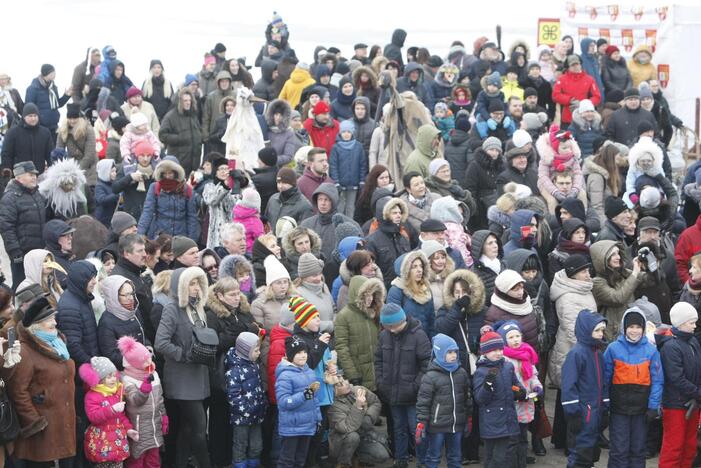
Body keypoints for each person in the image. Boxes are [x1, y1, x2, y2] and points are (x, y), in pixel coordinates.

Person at [154, 266, 212, 468]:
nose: (196, 288)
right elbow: (161, 342)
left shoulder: (197, 306)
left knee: (188, 430)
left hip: (199, 375)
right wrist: (184, 355)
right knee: (198, 427)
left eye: (198, 283)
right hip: (182, 378)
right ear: (181, 286)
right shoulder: (172, 307)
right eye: (191, 283)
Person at [8, 297, 76, 466]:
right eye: (49, 320)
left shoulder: (57, 343)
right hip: (44, 427)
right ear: (37, 325)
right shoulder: (25, 351)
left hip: (62, 419)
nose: (55, 322)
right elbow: (17, 391)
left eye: (54, 318)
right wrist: (35, 422)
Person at [603, 307, 663, 468]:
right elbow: (605, 378)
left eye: (638, 327)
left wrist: (653, 406)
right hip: (618, 409)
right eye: (631, 327)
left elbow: (658, 381)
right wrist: (605, 400)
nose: (634, 331)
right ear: (624, 328)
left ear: (644, 329)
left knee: (638, 449)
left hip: (641, 411)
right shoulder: (613, 349)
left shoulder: (651, 351)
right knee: (618, 449)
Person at [374, 303, 431, 468]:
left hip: (413, 396)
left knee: (417, 431)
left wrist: (415, 386)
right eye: (387, 326)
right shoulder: (384, 336)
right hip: (392, 394)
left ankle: (422, 462)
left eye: (394, 326)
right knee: (398, 429)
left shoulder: (419, 336)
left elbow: (427, 364)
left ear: (402, 320)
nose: (391, 330)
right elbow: (378, 360)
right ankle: (400, 460)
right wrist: (381, 382)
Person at [415, 333, 472, 468]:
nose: (453, 355)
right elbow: (423, 402)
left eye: (455, 352)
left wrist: (468, 417)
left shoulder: (461, 373)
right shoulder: (430, 376)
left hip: (456, 425)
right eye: (449, 352)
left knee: (455, 457)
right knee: (433, 457)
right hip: (437, 426)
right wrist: (421, 423)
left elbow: (467, 398)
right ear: (440, 353)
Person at [561, 310, 609, 468]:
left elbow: (603, 383)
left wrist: (605, 405)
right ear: (586, 330)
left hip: (595, 413)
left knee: (590, 454)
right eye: (597, 330)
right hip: (582, 414)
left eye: (602, 330)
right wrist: (573, 413)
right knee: (579, 455)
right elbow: (568, 386)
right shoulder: (576, 354)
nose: (601, 334)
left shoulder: (598, 353)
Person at [657, 302, 701, 467]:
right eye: (691, 322)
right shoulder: (670, 347)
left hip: (693, 402)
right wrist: (698, 393)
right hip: (676, 404)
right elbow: (676, 378)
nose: (695, 326)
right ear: (681, 323)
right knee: (673, 447)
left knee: (689, 447)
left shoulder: (693, 342)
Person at [472, 329, 523, 468]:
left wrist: (520, 392)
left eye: (500, 349)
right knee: (492, 457)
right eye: (494, 350)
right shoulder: (481, 372)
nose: (499, 353)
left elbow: (515, 385)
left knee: (501, 457)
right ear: (485, 352)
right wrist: (488, 385)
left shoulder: (508, 366)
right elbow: (480, 399)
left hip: (507, 419)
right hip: (491, 421)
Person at [496, 321, 542, 468]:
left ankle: (521, 463)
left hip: (525, 405)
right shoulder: (503, 359)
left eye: (517, 336)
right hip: (511, 406)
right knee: (511, 441)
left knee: (523, 438)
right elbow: (504, 383)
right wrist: (517, 392)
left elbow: (533, 376)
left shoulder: (526, 354)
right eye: (511, 337)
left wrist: (537, 386)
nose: (515, 339)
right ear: (503, 340)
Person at [118, 335, 167, 468]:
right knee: (137, 461)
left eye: (149, 358)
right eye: (145, 360)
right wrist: (144, 389)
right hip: (138, 429)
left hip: (154, 426)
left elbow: (160, 398)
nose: (149, 362)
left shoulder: (153, 374)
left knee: (154, 460)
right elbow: (135, 400)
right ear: (135, 363)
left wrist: (164, 417)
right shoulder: (127, 379)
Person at [79, 356, 137, 465]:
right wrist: (111, 410)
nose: (113, 379)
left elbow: (121, 416)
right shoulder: (92, 395)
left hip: (118, 442)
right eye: (109, 377)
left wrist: (128, 430)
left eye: (114, 375)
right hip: (101, 444)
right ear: (99, 379)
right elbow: (93, 416)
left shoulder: (116, 393)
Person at [275, 336, 322, 468]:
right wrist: (303, 396)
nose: (303, 355)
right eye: (298, 353)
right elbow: (284, 402)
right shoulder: (285, 375)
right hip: (291, 428)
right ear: (290, 355)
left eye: (305, 352)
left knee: (300, 460)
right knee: (287, 461)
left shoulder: (310, 372)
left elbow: (315, 400)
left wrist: (317, 419)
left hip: (307, 425)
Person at [0, 162, 47, 288]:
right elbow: (6, 227)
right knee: (22, 289)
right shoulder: (10, 198)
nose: (34, 177)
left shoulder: (37, 195)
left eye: (35, 174)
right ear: (19, 177)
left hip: (40, 252)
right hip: (22, 256)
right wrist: (15, 253)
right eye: (30, 174)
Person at [335, 276, 385, 391]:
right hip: (359, 376)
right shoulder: (343, 316)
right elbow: (342, 348)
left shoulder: (375, 311)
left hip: (378, 374)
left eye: (372, 295)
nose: (370, 298)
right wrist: (352, 375)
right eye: (366, 295)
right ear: (357, 295)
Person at [225, 332, 267, 468]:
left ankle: (253, 464)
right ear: (245, 351)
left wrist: (262, 404)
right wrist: (247, 410)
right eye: (256, 350)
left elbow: (258, 388)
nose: (259, 353)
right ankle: (239, 465)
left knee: (257, 445)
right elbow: (233, 396)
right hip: (242, 416)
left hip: (256, 414)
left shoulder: (254, 365)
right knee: (240, 445)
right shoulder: (234, 372)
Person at [327, 378, 389, 468]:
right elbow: (346, 428)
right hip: (342, 440)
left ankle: (358, 458)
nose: (346, 383)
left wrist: (369, 417)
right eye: (340, 384)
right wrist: (358, 407)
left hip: (363, 434)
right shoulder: (333, 405)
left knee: (382, 456)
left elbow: (376, 402)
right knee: (353, 437)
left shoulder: (358, 389)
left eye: (344, 380)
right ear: (334, 390)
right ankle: (342, 463)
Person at [137, 157, 199, 241]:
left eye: (170, 173)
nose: (167, 176)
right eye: (164, 173)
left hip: (180, 236)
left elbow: (191, 216)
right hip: (160, 235)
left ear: (176, 173)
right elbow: (148, 211)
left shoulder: (186, 189)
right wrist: (140, 233)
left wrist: (192, 240)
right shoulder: (155, 187)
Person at [591, 240, 643, 337]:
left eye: (618, 253)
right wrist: (635, 273)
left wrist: (652, 266)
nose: (618, 257)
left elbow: (647, 280)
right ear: (603, 258)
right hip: (612, 333)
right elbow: (618, 298)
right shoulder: (597, 282)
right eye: (613, 254)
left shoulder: (621, 272)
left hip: (628, 327)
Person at [387, 251, 435, 338]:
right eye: (414, 267)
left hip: (425, 342)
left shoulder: (426, 290)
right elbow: (394, 324)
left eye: (421, 266)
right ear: (406, 270)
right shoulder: (396, 291)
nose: (419, 270)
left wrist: (432, 341)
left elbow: (432, 321)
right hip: (406, 344)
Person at [329, 120, 367, 218]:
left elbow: (362, 164)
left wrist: (362, 180)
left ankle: (350, 225)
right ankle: (338, 226)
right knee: (340, 206)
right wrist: (336, 181)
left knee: (350, 207)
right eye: (344, 132)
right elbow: (333, 166)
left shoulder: (358, 146)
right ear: (340, 133)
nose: (346, 134)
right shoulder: (336, 148)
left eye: (349, 132)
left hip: (353, 183)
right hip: (340, 184)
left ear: (352, 133)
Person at [0, 103, 53, 175]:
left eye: (35, 116)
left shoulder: (45, 132)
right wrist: (7, 168)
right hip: (19, 175)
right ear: (24, 117)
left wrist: (52, 168)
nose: (33, 118)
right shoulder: (13, 132)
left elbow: (50, 154)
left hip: (39, 173)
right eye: (30, 116)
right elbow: (6, 153)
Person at [159, 89, 203, 176]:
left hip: (194, 163)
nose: (188, 103)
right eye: (185, 100)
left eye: (190, 100)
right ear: (179, 101)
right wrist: (180, 138)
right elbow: (162, 135)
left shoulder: (193, 115)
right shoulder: (170, 116)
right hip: (179, 162)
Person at [465, 137, 505, 229]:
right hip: (481, 208)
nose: (494, 153)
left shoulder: (502, 165)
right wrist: (475, 209)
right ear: (485, 150)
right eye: (491, 149)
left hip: (499, 204)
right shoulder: (474, 166)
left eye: (497, 150)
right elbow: (470, 188)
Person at [552, 55, 601, 127]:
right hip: (568, 117)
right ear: (568, 67)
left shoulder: (589, 79)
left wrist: (584, 104)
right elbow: (555, 95)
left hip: (585, 117)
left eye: (577, 64)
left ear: (581, 65)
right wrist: (570, 100)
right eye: (572, 65)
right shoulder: (562, 79)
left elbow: (597, 96)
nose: (576, 67)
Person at [25, 64, 71, 138]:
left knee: (54, 148)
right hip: (40, 126)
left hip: (54, 124)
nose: (55, 75)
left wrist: (66, 96)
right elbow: (29, 108)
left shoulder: (53, 87)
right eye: (52, 73)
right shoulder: (33, 88)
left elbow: (57, 104)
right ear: (46, 74)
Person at [295, 253, 335, 333]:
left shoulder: (324, 286)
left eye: (320, 273)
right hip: (315, 340)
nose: (318, 278)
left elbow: (334, 309)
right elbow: (304, 322)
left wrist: (336, 321)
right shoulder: (298, 294)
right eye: (314, 275)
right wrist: (330, 325)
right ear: (304, 277)